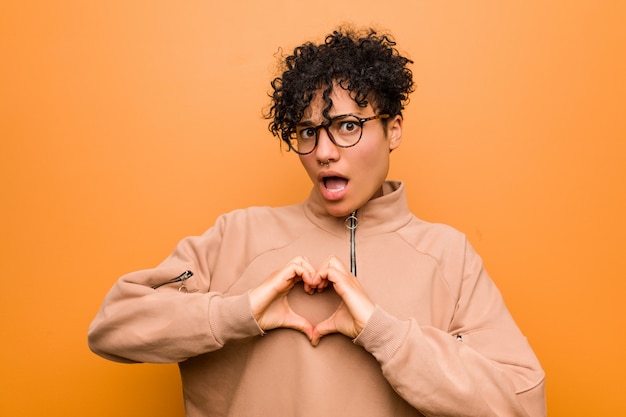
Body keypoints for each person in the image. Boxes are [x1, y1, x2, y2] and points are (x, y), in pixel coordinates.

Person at [88, 26, 546, 417]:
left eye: (347, 126)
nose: (324, 152)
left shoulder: (448, 255)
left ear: (394, 129)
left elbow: (524, 400)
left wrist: (383, 332)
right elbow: (113, 325)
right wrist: (238, 312)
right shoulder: (238, 234)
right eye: (308, 132)